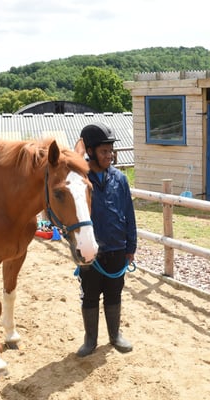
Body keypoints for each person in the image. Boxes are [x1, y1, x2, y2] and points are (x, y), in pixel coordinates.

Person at [75, 122, 137, 357]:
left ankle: (115, 335)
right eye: (104, 151)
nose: (109, 155)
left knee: (114, 292)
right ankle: (90, 340)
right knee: (90, 295)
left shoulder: (120, 179)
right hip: (91, 252)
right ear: (90, 151)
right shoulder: (81, 181)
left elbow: (128, 214)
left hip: (117, 249)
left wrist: (131, 245)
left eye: (111, 151)